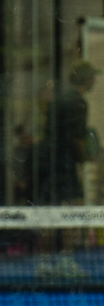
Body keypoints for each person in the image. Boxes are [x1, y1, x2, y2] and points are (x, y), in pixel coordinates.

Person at [42, 59, 99, 203]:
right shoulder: (78, 102)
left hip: (51, 161)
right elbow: (76, 138)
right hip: (64, 163)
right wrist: (85, 158)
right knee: (76, 203)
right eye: (92, 77)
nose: (94, 80)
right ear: (87, 79)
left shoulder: (61, 99)